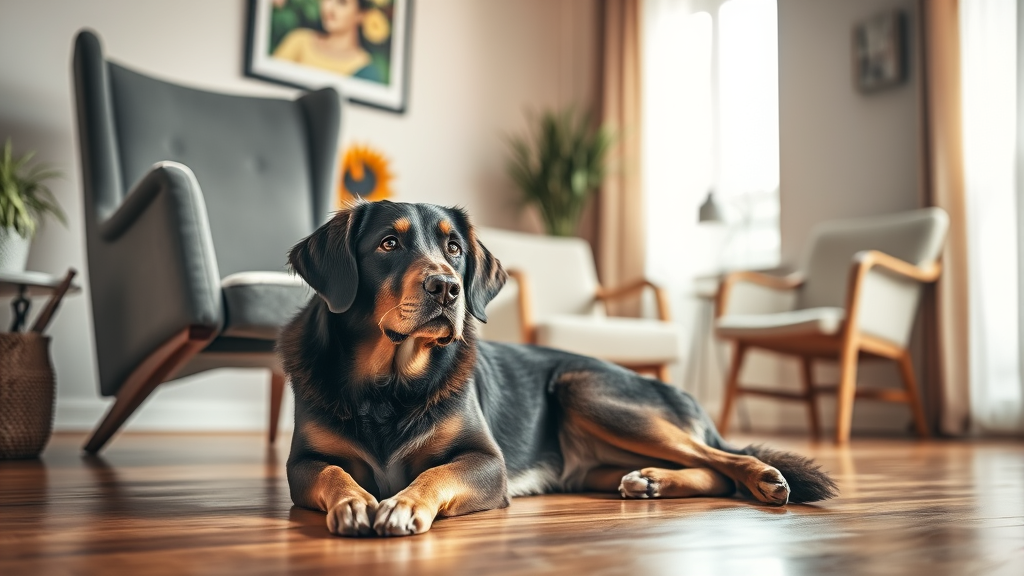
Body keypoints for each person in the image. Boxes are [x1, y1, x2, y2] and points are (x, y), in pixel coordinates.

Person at [273, 0, 385, 83]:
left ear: (361, 14)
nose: (328, 8)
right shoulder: (299, 40)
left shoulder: (366, 69)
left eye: (342, 3)